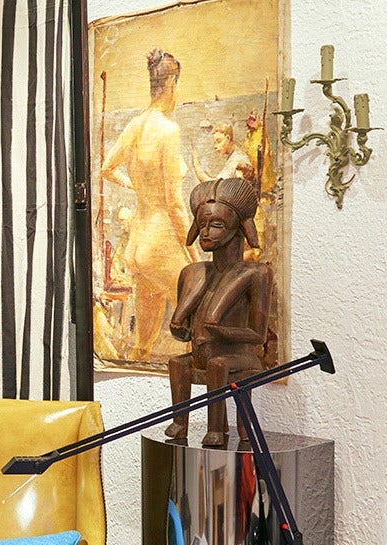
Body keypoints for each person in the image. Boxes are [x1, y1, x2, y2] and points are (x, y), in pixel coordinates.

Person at [101, 49, 195, 363]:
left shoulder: (135, 125)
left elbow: (106, 169)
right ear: (171, 84)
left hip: (138, 245)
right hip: (160, 241)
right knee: (196, 312)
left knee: (144, 342)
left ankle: (138, 367)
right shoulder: (169, 130)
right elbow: (175, 204)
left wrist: (136, 186)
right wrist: (193, 251)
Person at [165, 177, 272, 447]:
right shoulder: (192, 273)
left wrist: (221, 331)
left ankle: (215, 428)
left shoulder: (255, 274)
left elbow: (257, 335)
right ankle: (180, 423)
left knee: (218, 365)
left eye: (216, 225)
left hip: (240, 357)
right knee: (178, 362)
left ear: (239, 228)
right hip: (203, 354)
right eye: (202, 225)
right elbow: (186, 332)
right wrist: (180, 329)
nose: (206, 232)